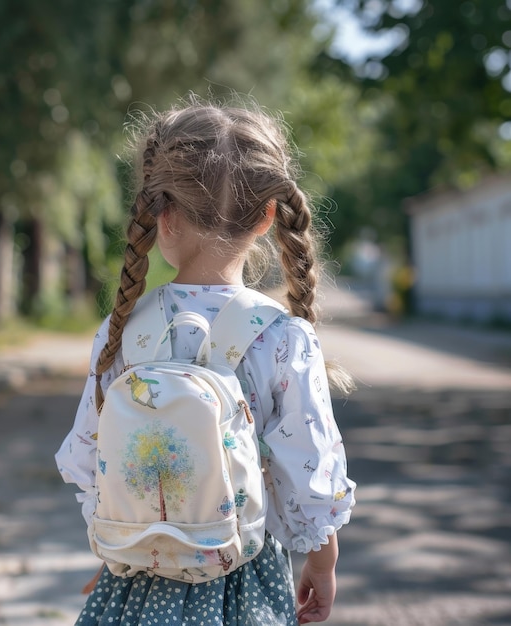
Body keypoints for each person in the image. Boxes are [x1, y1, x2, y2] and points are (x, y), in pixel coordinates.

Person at [55, 96, 356, 625]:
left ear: (160, 214)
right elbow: (307, 471)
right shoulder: (283, 337)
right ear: (267, 216)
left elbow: (89, 459)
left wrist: (127, 544)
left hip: (139, 572)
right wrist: (322, 562)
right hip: (241, 570)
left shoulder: (122, 329)